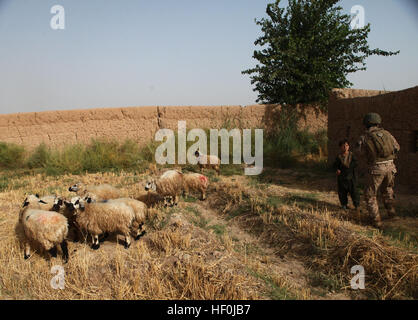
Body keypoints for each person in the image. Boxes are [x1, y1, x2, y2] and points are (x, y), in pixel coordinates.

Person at [356, 113, 400, 229]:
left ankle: (376, 221)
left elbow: (360, 153)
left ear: (366, 124)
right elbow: (397, 147)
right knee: (388, 190)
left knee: (370, 195)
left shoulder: (364, 137)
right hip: (391, 167)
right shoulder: (387, 134)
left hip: (376, 168)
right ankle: (392, 213)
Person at [333, 139, 360, 211]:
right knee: (342, 192)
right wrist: (337, 169)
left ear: (349, 146)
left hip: (351, 177)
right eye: (343, 146)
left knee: (354, 192)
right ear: (340, 147)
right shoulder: (339, 157)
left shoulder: (352, 155)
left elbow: (355, 164)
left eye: (347, 145)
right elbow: (335, 165)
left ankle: (357, 206)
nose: (345, 147)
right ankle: (344, 205)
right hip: (342, 177)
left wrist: (349, 169)